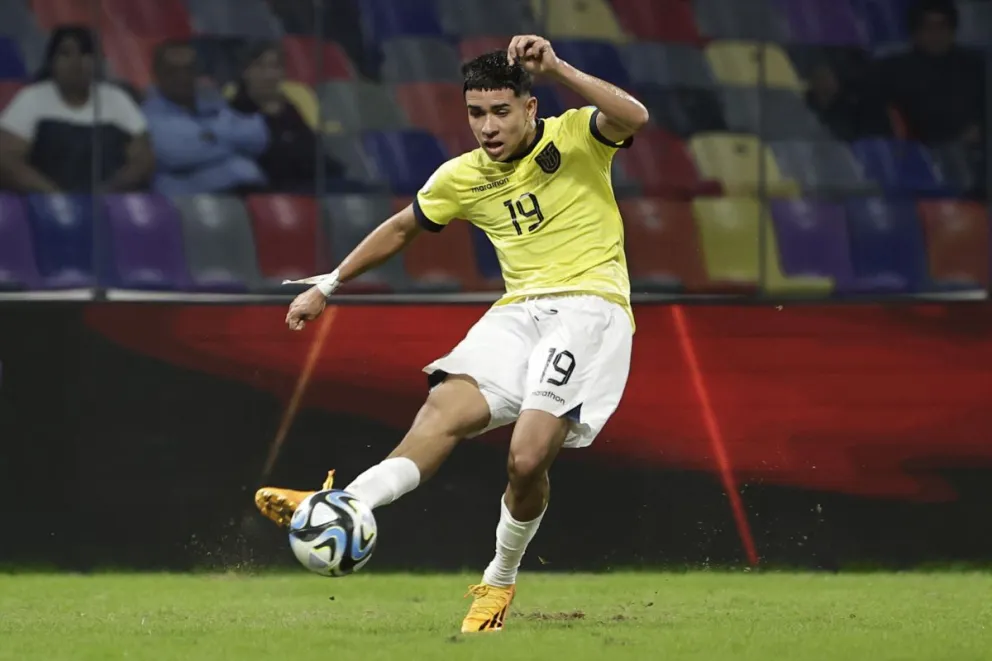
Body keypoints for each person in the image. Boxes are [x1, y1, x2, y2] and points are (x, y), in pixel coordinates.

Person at [254, 35, 648, 633]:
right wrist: (329, 283)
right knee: (440, 410)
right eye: (475, 113)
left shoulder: (577, 137)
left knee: (525, 458)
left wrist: (558, 67)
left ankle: (498, 581)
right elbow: (401, 227)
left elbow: (634, 116)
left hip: (589, 308)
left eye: (500, 111)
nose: (487, 126)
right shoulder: (462, 177)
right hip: (519, 312)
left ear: (529, 108)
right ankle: (347, 505)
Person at [0, 25, 153, 193]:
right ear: (51, 61)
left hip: (110, 202)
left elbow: (142, 160)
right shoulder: (31, 98)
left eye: (86, 53)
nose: (76, 62)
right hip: (45, 202)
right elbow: (7, 160)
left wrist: (105, 194)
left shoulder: (117, 98)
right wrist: (55, 195)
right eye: (65, 54)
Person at [142, 40, 269, 195]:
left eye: (188, 69)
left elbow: (258, 136)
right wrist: (235, 144)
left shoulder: (211, 101)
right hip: (190, 203)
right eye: (172, 71)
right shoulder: (149, 112)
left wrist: (211, 136)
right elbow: (173, 153)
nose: (182, 77)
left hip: (246, 191)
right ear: (157, 74)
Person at [229, 42, 346, 193]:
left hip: (313, 182)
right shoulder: (237, 109)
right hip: (274, 189)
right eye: (261, 66)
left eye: (275, 67)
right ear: (245, 71)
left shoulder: (288, 107)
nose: (269, 75)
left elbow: (310, 146)